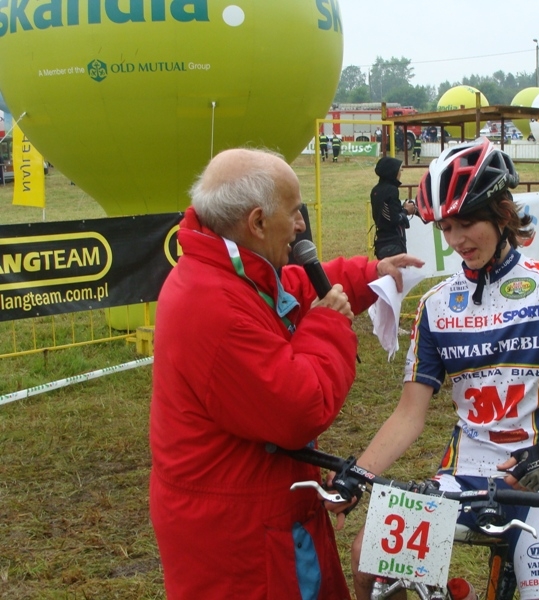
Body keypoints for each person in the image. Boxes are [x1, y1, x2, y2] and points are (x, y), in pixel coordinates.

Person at [149, 147, 423, 600]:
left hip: (258, 509)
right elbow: (300, 408)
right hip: (244, 541)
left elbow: (288, 290)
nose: (300, 226)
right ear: (257, 223)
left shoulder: (226, 268)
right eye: (294, 212)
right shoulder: (214, 305)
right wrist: (329, 324)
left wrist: (367, 274)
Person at [348, 138, 539, 600]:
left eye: (467, 223)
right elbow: (409, 414)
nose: (456, 240)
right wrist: (359, 475)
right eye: (446, 227)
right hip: (461, 476)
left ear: (502, 213)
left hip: (534, 476)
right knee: (367, 559)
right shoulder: (435, 304)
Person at [370, 155, 416, 259]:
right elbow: (394, 219)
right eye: (399, 170)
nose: (400, 173)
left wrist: (401, 209)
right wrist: (406, 211)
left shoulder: (375, 190)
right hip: (392, 243)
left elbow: (385, 214)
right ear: (392, 172)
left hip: (381, 242)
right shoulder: (391, 190)